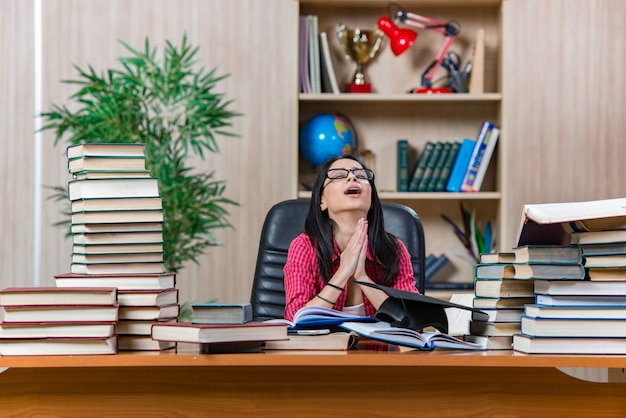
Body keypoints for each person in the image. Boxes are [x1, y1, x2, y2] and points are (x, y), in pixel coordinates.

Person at [283, 152, 419, 321]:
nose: (352, 178)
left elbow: (413, 321)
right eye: (339, 175)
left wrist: (363, 278)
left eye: (361, 175)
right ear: (322, 201)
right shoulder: (304, 246)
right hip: (321, 348)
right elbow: (294, 318)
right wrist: (343, 272)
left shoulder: (394, 249)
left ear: (372, 201)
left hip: (376, 348)